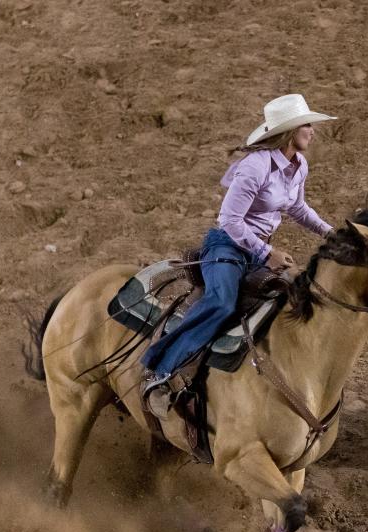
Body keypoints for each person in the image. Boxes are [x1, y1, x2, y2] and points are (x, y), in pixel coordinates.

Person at [141, 94, 336, 416]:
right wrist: (266, 251)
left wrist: (330, 233)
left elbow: (298, 208)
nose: (312, 130)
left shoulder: (298, 165)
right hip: (227, 245)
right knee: (221, 302)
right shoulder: (255, 166)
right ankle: (158, 370)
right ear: (289, 131)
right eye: (306, 124)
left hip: (259, 248)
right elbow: (230, 220)